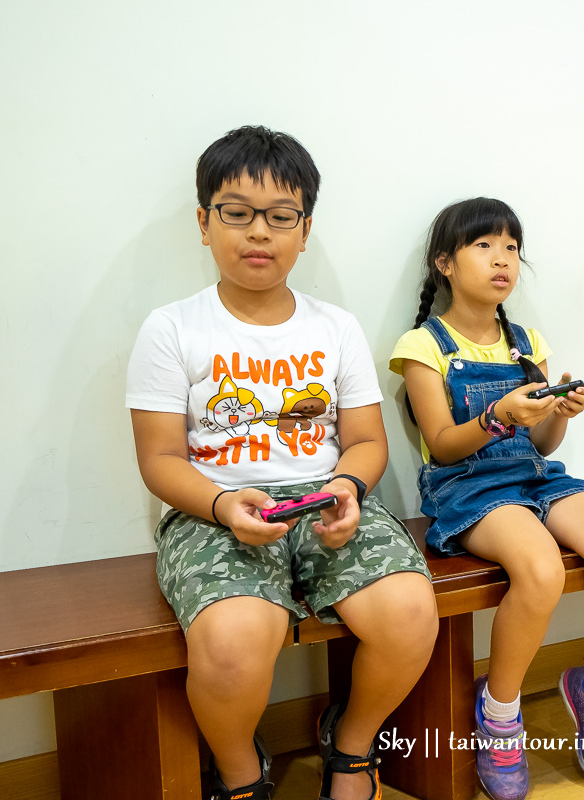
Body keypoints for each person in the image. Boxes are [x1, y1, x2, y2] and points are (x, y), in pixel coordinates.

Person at [126, 125, 437, 800]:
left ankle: (351, 748)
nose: (258, 233)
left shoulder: (336, 327)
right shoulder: (173, 328)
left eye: (279, 217)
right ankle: (242, 775)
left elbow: (365, 441)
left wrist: (349, 487)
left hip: (326, 498)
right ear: (205, 223)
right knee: (236, 642)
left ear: (305, 228)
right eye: (237, 213)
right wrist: (218, 504)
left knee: (411, 612)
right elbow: (159, 458)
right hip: (213, 506)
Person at [389, 198, 584, 799]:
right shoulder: (422, 347)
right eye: (484, 245)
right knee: (539, 571)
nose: (502, 258)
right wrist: (497, 414)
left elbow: (542, 440)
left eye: (511, 247)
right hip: (466, 486)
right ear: (445, 264)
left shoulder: (526, 341)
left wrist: (559, 413)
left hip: (534, 476)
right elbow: (442, 444)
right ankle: (500, 715)